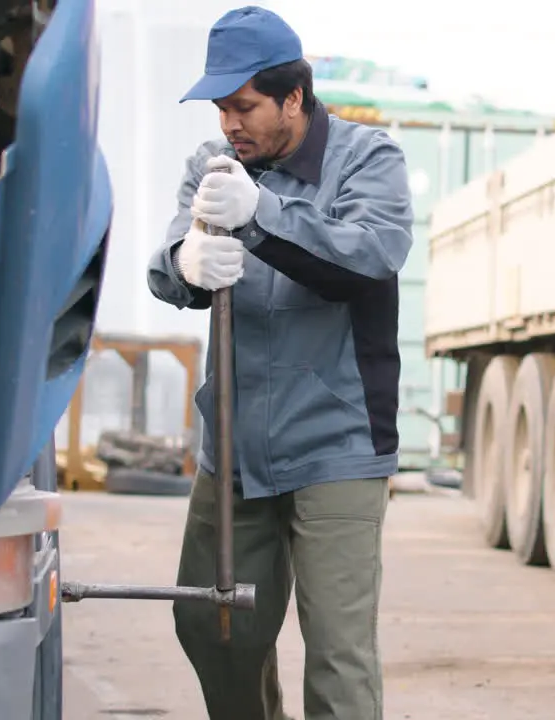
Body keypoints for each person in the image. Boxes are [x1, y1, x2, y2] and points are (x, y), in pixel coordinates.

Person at [145, 6, 413, 719]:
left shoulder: (366, 158)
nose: (230, 124)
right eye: (220, 108)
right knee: (211, 624)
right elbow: (167, 266)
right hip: (233, 443)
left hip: (338, 444)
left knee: (337, 652)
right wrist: (186, 261)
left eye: (245, 106)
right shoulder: (212, 168)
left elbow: (369, 256)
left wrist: (260, 215)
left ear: (294, 96)